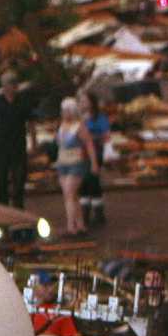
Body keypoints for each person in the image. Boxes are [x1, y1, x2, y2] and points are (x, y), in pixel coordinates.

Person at [0, 72, 31, 209]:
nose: (10, 87)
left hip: (19, 144)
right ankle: (2, 208)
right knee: (1, 178)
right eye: (8, 84)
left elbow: (30, 122)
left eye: (13, 84)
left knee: (19, 179)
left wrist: (34, 141)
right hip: (1, 146)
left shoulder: (23, 102)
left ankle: (18, 207)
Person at [52, 97, 100, 237]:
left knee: (69, 193)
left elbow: (89, 145)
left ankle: (70, 226)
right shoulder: (61, 126)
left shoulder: (79, 127)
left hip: (76, 163)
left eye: (67, 111)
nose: (64, 113)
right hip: (63, 163)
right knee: (71, 195)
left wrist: (94, 163)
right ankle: (80, 225)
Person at [80, 86, 112, 228]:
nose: (82, 103)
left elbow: (106, 135)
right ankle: (85, 211)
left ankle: (96, 211)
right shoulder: (80, 118)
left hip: (95, 151)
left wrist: (91, 137)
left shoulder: (100, 118)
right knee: (84, 181)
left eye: (84, 100)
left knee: (92, 179)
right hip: (82, 153)